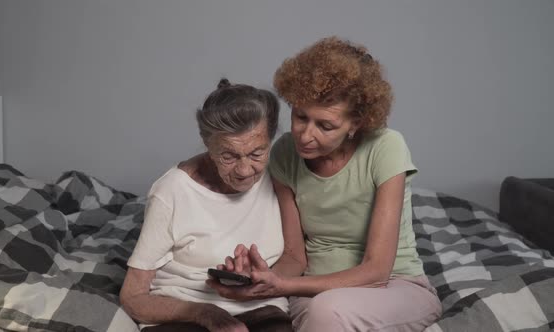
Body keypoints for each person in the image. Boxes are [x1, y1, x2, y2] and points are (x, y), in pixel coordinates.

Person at [208, 37, 443, 332]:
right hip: (314, 290)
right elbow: (295, 255)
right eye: (300, 116)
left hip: (396, 286)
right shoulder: (284, 152)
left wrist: (284, 285)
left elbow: (377, 271)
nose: (305, 135)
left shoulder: (386, 147)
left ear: (355, 123)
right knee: (317, 310)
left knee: (326, 311)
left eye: (325, 125)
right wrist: (262, 278)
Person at [120, 79, 293, 332]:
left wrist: (260, 280)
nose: (245, 171)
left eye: (257, 153)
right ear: (208, 145)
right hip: (185, 313)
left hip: (264, 310)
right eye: (229, 156)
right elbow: (132, 297)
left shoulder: (278, 173)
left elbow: (295, 257)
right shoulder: (171, 192)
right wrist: (206, 314)